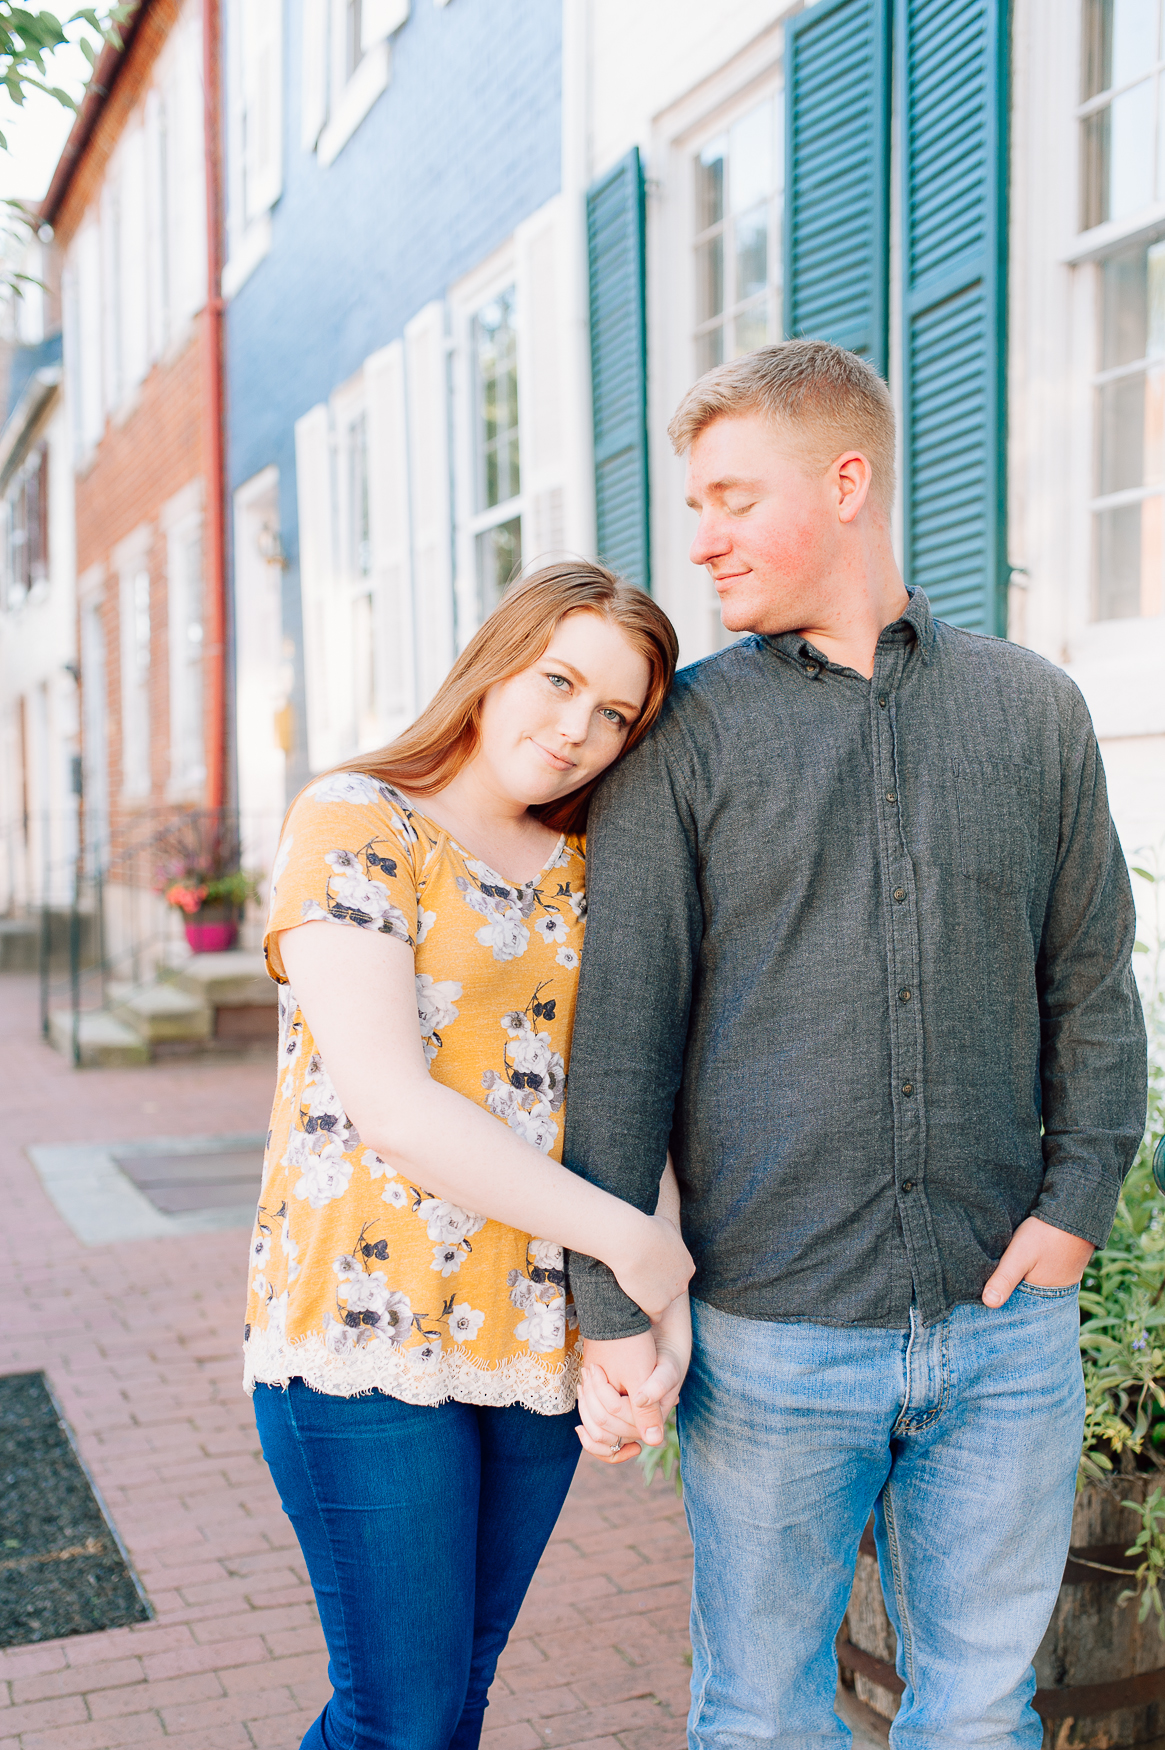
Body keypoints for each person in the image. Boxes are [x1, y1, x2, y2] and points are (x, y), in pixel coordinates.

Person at [563, 341, 1148, 1747]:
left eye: (729, 497)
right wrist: (605, 1309)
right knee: (762, 1714)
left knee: (976, 1713)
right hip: (772, 1341)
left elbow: (1092, 987)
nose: (697, 539)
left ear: (845, 480)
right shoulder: (682, 736)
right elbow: (624, 1038)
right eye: (691, 503)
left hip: (1004, 1331)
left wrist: (1074, 1214)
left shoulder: (1032, 708)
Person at [243, 561, 694, 1750]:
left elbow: (624, 1088)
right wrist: (629, 1240)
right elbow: (390, 1101)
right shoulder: (355, 818)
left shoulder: (596, 867)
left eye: (614, 716)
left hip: (528, 1336)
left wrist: (651, 1312)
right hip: (361, 1329)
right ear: (496, 658)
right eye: (559, 681)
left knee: (457, 1700)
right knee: (395, 1716)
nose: (576, 730)